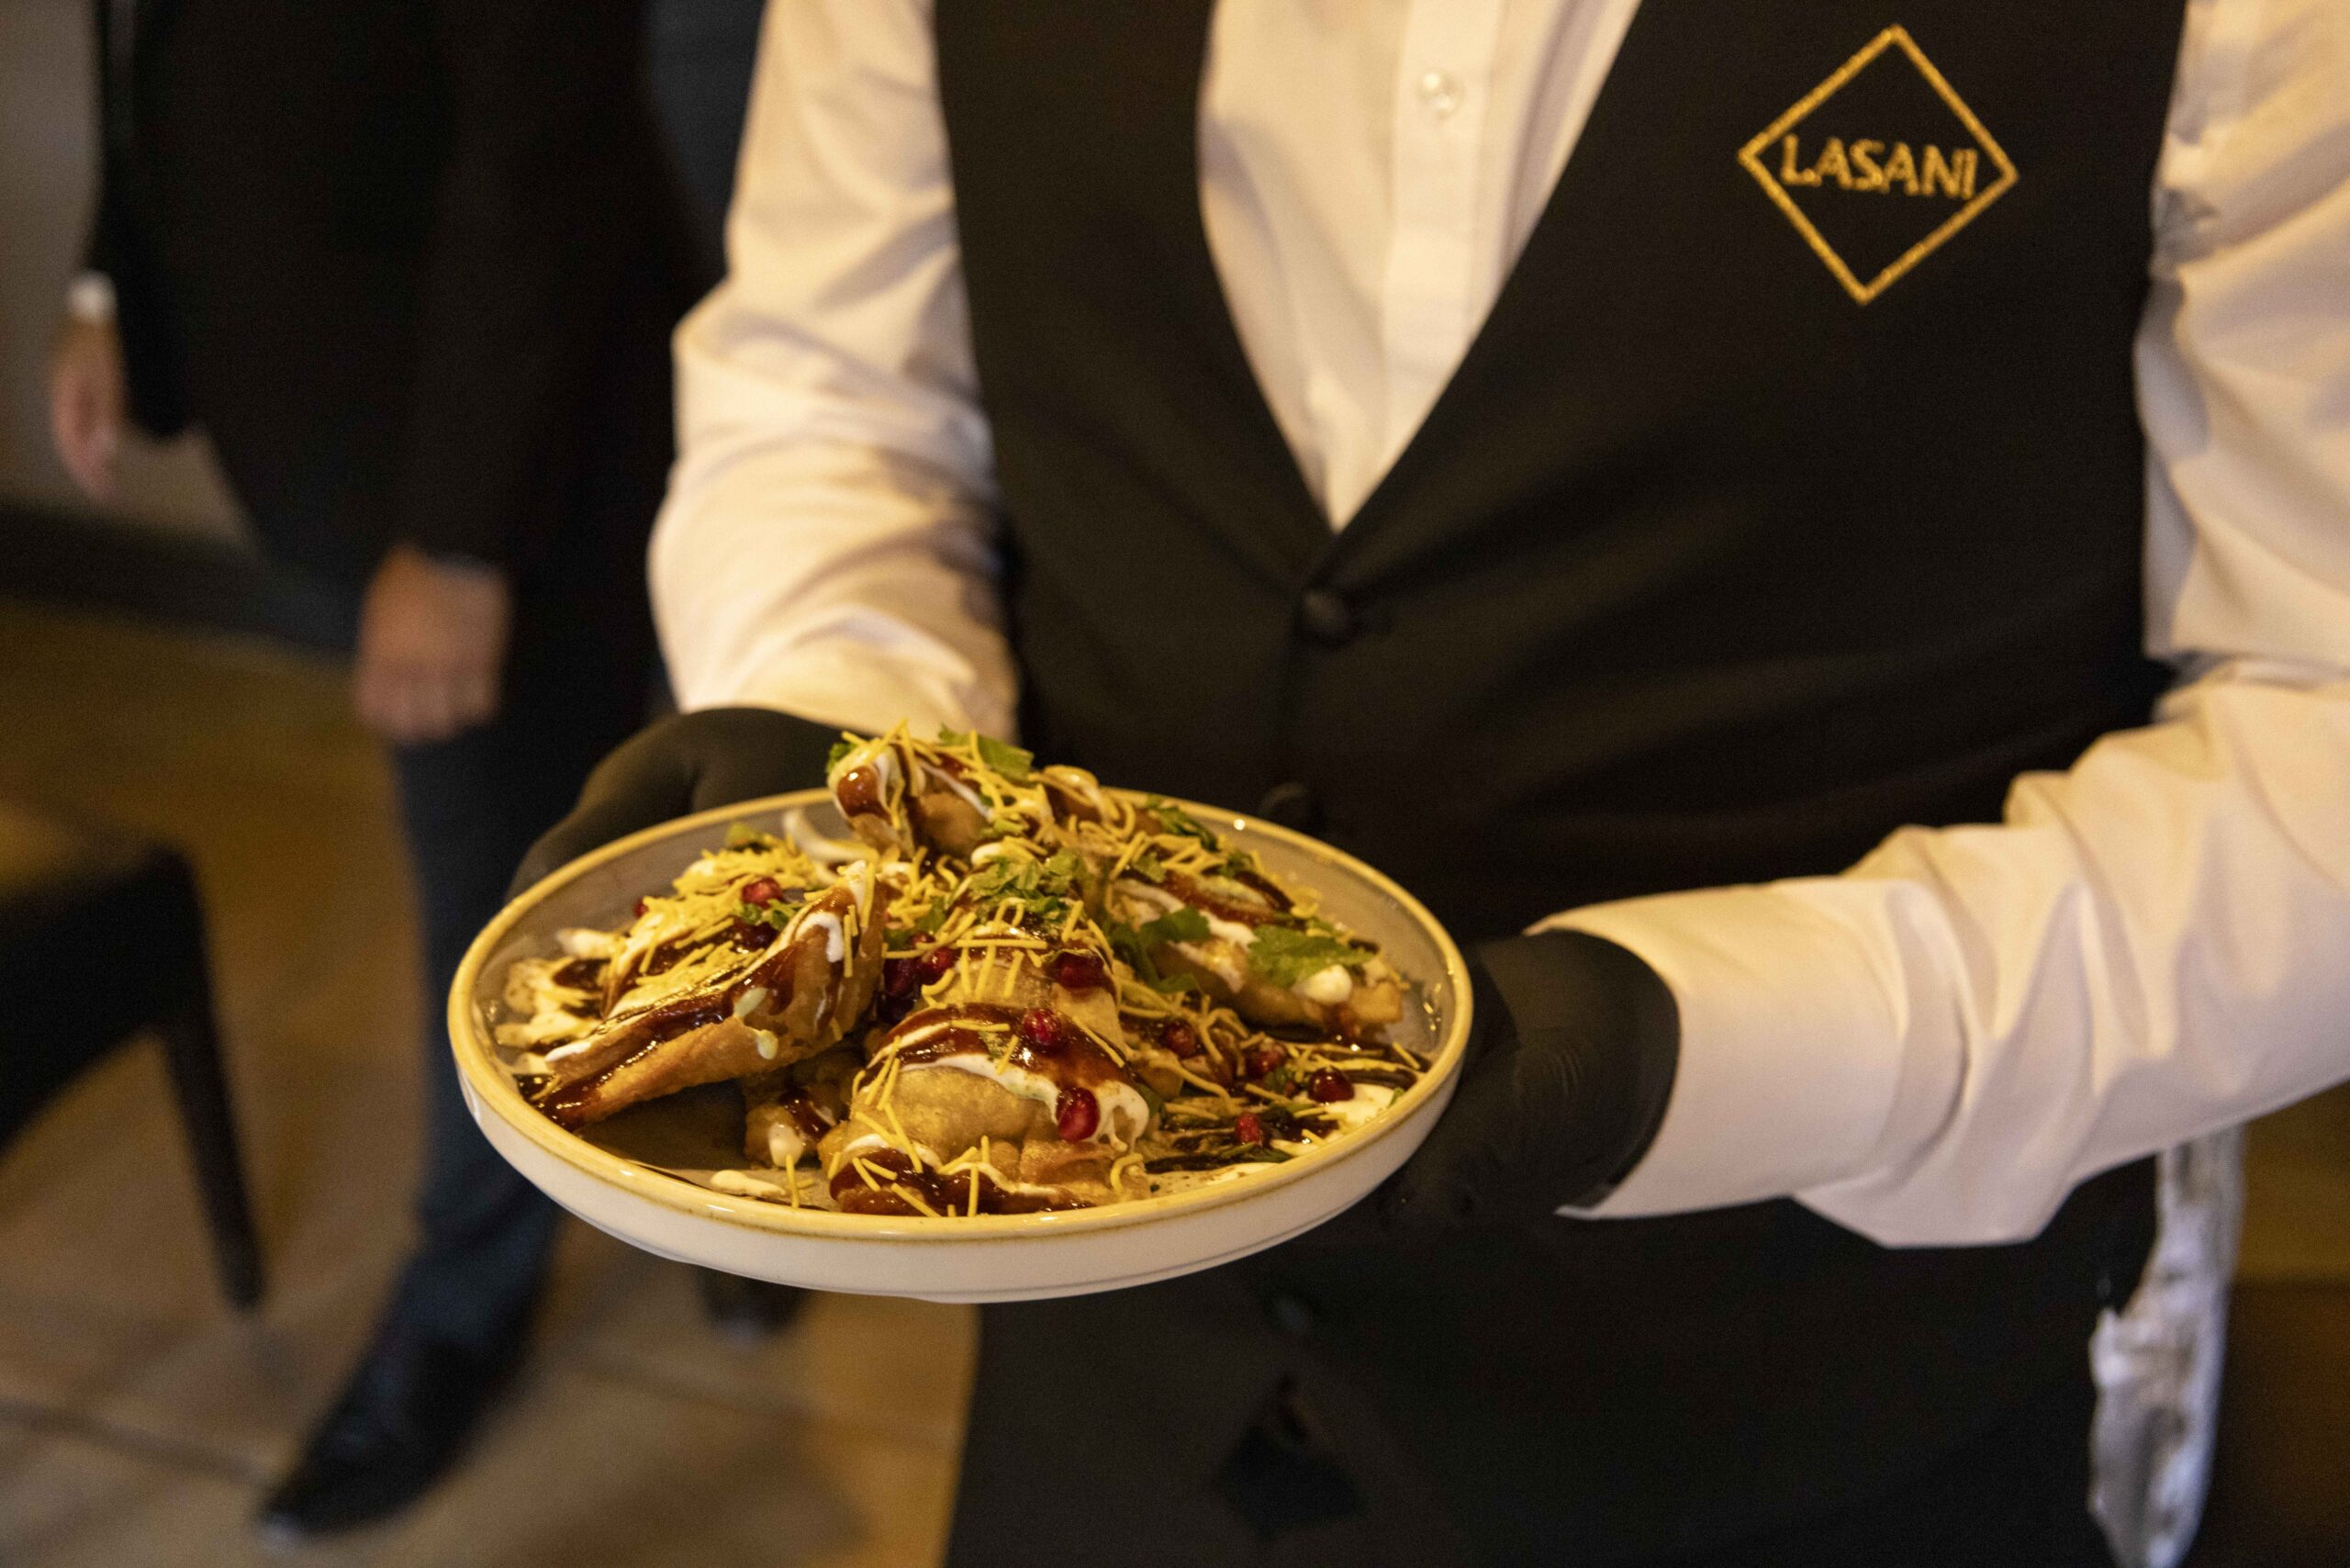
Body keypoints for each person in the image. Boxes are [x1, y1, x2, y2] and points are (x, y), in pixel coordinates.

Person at [519, 1, 2350, 1562]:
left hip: (1808, 1413)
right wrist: (836, 723)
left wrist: (1690, 1041)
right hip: (1113, 1384)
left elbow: (2315, 716)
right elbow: (838, 396)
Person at [43, 0, 771, 1538]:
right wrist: (117, 283)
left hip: (523, 438)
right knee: (565, 856)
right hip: (355, 406)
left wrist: (458, 537)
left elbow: (540, 154)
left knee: (516, 897)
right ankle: (705, 1166)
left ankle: (468, 1305)